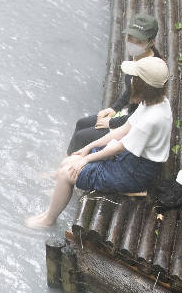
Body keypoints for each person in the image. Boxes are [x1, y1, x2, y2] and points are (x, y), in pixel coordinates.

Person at [26, 56, 171, 228]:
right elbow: (122, 130)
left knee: (66, 173)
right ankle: (54, 206)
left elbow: (118, 147)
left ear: (143, 85)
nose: (131, 81)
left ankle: (49, 220)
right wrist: (88, 147)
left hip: (134, 172)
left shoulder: (152, 119)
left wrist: (86, 159)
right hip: (130, 158)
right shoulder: (154, 103)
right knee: (68, 162)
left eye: (135, 78)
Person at [66, 13, 162, 155]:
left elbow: (141, 116)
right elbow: (131, 90)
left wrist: (111, 123)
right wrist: (114, 109)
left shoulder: (150, 72)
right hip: (128, 114)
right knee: (81, 123)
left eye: (139, 41)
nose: (132, 44)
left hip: (135, 126)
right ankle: (67, 161)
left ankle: (70, 166)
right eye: (130, 38)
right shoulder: (138, 56)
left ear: (151, 42)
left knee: (82, 137)